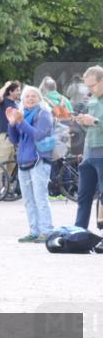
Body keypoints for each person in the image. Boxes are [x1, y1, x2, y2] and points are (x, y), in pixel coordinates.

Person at [6, 86, 55, 243]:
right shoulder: (23, 114)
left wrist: (21, 122)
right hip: (23, 161)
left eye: (34, 96)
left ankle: (46, 231)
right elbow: (14, 139)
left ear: (39, 98)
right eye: (27, 96)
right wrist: (12, 124)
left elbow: (38, 135)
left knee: (40, 198)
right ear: (22, 100)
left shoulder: (44, 114)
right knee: (28, 199)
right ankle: (34, 231)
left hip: (39, 160)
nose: (30, 98)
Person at [74, 66, 103, 230]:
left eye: (93, 85)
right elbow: (90, 127)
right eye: (88, 86)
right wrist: (83, 122)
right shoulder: (91, 100)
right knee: (83, 196)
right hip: (89, 152)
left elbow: (96, 123)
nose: (90, 90)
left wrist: (95, 122)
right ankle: (79, 232)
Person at [0, 81, 21, 167]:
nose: (19, 92)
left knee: (11, 168)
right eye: (17, 90)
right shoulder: (4, 101)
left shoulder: (17, 104)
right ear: (10, 92)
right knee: (1, 167)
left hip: (14, 137)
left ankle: (7, 181)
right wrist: (5, 86)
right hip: (4, 136)